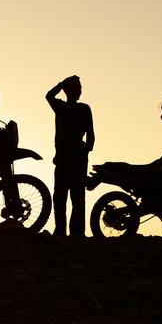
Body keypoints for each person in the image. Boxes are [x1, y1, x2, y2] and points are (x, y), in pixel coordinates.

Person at [46, 76, 95, 237]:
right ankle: (60, 230)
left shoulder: (84, 108)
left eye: (80, 88)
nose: (80, 91)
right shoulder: (60, 106)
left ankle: (77, 232)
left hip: (78, 157)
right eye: (77, 88)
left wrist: (86, 151)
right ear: (69, 90)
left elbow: (91, 135)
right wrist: (62, 83)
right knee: (60, 196)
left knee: (77, 197)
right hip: (62, 158)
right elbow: (49, 95)